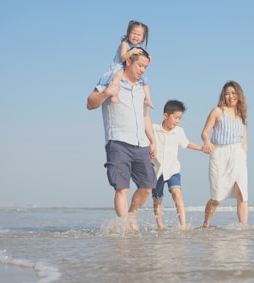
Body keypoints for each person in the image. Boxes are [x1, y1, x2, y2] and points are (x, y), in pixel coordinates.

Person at [87, 47, 157, 232]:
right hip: (118, 141)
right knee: (122, 188)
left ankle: (131, 215)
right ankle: (125, 228)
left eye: (145, 67)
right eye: (140, 65)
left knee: (147, 186)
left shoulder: (142, 86)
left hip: (141, 143)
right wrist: (106, 93)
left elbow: (145, 116)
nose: (142, 70)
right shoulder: (111, 77)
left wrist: (153, 140)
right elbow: (90, 103)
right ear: (128, 61)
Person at [201, 81, 249, 228]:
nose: (231, 96)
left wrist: (243, 156)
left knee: (242, 194)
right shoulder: (217, 111)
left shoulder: (242, 115)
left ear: (239, 95)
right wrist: (207, 142)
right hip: (220, 154)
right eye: (227, 93)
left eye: (233, 93)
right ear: (223, 96)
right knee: (217, 197)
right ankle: (206, 225)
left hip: (238, 155)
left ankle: (243, 228)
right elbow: (205, 133)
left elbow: (244, 141)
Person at [152, 100, 205, 230]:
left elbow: (186, 144)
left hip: (172, 169)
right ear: (165, 115)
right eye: (175, 118)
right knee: (157, 199)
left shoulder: (179, 131)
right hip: (156, 170)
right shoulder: (154, 129)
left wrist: (201, 148)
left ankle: (183, 225)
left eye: (180, 118)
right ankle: (159, 225)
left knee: (177, 193)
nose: (177, 121)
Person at [98, 20, 154, 109]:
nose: (135, 36)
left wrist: (148, 57)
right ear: (128, 33)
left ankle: (147, 99)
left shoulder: (138, 46)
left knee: (145, 81)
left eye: (139, 35)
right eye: (133, 33)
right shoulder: (124, 43)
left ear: (143, 38)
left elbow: (140, 57)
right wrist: (132, 51)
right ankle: (113, 95)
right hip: (119, 66)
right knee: (118, 76)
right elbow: (123, 57)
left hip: (129, 67)